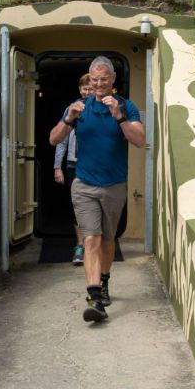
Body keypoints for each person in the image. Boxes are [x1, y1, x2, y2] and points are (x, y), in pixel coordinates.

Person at [47, 56, 146, 323]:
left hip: (114, 185)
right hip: (84, 185)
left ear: (112, 80)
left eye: (104, 79)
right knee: (90, 239)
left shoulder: (126, 106)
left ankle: (103, 281)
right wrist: (68, 119)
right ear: (89, 81)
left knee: (107, 240)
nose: (99, 84)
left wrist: (120, 118)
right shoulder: (77, 108)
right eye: (94, 80)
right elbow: (54, 139)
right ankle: (94, 298)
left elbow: (139, 141)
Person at [53, 74, 93, 265]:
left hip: (94, 164)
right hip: (73, 165)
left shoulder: (102, 108)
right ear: (79, 90)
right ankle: (80, 245)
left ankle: (93, 245)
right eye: (84, 89)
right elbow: (60, 140)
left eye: (90, 88)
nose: (87, 92)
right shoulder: (72, 109)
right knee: (77, 206)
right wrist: (57, 167)